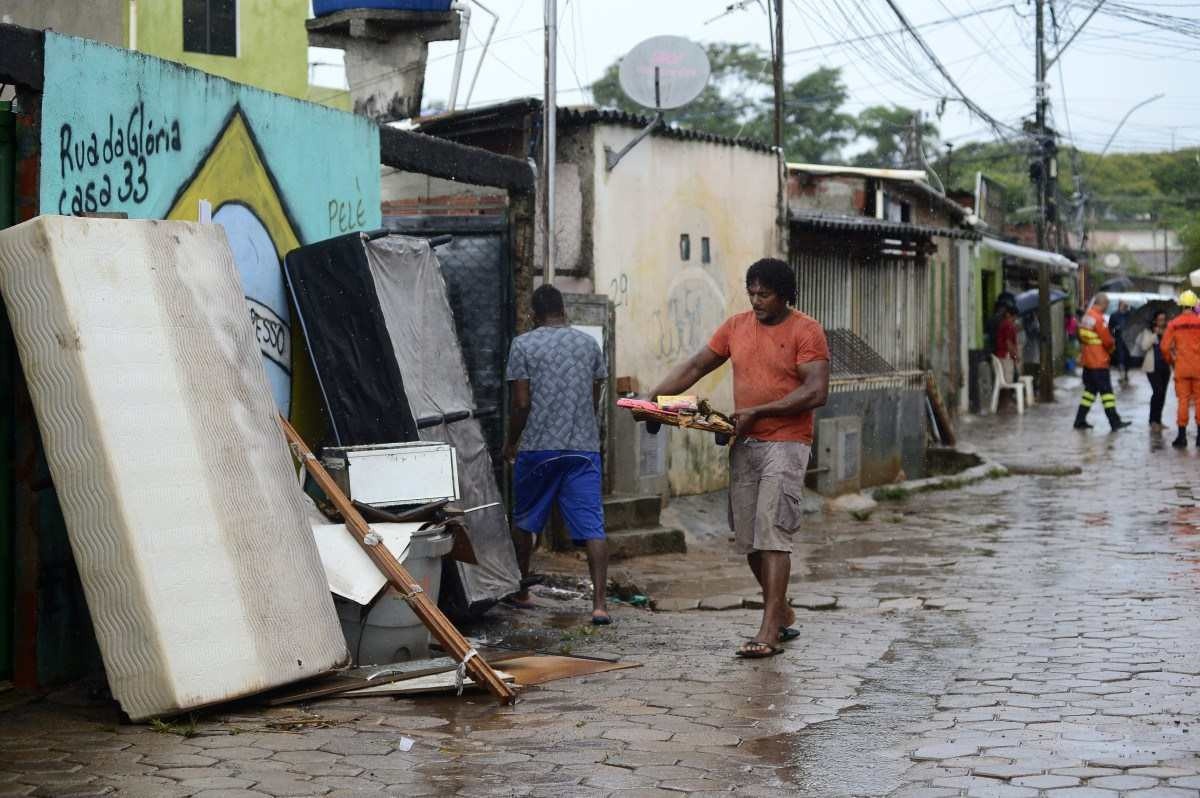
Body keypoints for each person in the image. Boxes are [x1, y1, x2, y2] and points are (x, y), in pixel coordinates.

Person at [648, 258, 829, 659]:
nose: (756, 300)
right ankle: (780, 610)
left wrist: (762, 411)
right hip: (744, 442)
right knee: (748, 540)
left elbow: (816, 391)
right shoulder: (735, 327)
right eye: (751, 292)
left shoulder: (806, 330)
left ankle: (768, 631)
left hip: (788, 442)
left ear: (785, 295)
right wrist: (653, 400)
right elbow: (696, 365)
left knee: (772, 533)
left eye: (764, 294)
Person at [504, 284, 611, 624]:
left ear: (534, 314)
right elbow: (594, 399)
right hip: (582, 449)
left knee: (524, 520)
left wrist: (511, 442)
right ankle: (599, 606)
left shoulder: (523, 345)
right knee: (592, 526)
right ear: (564, 310)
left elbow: (521, 403)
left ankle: (521, 590)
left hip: (537, 448)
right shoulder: (588, 344)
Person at [1074, 293, 1131, 431]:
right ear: (1103, 303)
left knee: (1089, 392)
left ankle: (1080, 420)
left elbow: (1081, 337)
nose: (1107, 308)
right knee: (1107, 394)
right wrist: (1113, 348)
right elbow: (1107, 340)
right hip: (1099, 362)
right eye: (1106, 305)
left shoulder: (1086, 317)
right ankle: (1114, 422)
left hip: (1088, 361)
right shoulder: (1098, 319)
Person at [1161, 290, 1200, 448]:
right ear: (1194, 305)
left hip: (1181, 368)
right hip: (1199, 367)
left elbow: (1164, 347)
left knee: (1183, 400)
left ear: (1182, 305)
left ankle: (1182, 437)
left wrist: (1172, 360)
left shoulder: (1173, 324)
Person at [1136, 311, 1171, 432]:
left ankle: (1159, 420)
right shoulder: (1148, 332)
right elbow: (1144, 346)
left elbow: (1173, 346)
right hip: (1152, 367)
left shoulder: (1168, 331)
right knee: (1157, 392)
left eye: (1164, 319)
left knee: (1162, 394)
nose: (1162, 322)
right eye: (1160, 319)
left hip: (1165, 367)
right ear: (1155, 320)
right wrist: (1155, 335)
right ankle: (1153, 420)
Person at [993, 305, 1021, 386]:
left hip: (1001, 355)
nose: (1015, 319)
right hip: (1005, 356)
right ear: (1009, 315)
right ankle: (1006, 398)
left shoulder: (1004, 324)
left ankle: (1005, 397)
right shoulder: (1008, 325)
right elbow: (1008, 343)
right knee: (1007, 381)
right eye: (1014, 317)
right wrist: (1015, 355)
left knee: (1004, 379)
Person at [1109, 301, 1132, 385]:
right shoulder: (1114, 315)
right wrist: (1112, 335)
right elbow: (1110, 327)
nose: (1125, 307)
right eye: (1123, 305)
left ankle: (1126, 373)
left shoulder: (1130, 315)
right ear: (1119, 306)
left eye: (1126, 306)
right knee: (1120, 357)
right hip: (1119, 339)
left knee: (1127, 357)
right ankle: (1122, 375)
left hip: (1129, 340)